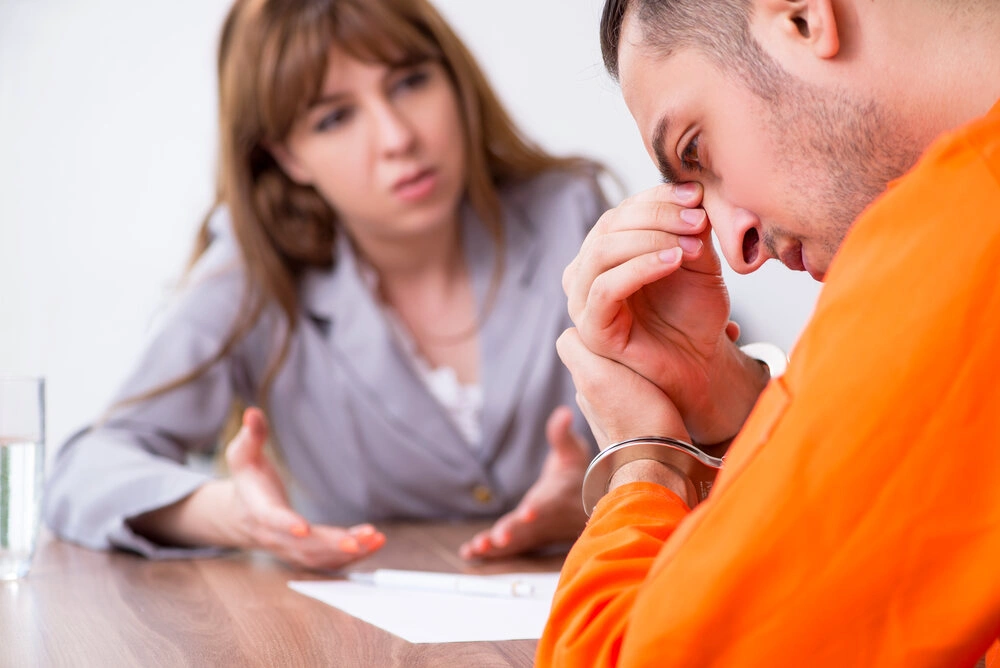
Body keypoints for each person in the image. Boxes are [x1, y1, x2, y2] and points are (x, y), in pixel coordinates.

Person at [43, 0, 606, 570]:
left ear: (454, 79)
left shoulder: (572, 215)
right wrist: (236, 514)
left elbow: (667, 440)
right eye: (334, 119)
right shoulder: (256, 274)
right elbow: (83, 473)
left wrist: (606, 491)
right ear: (287, 156)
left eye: (410, 82)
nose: (397, 137)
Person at [538, 0, 1000, 665]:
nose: (734, 247)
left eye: (695, 149)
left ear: (802, 18)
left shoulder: (963, 234)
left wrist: (646, 457)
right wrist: (732, 404)